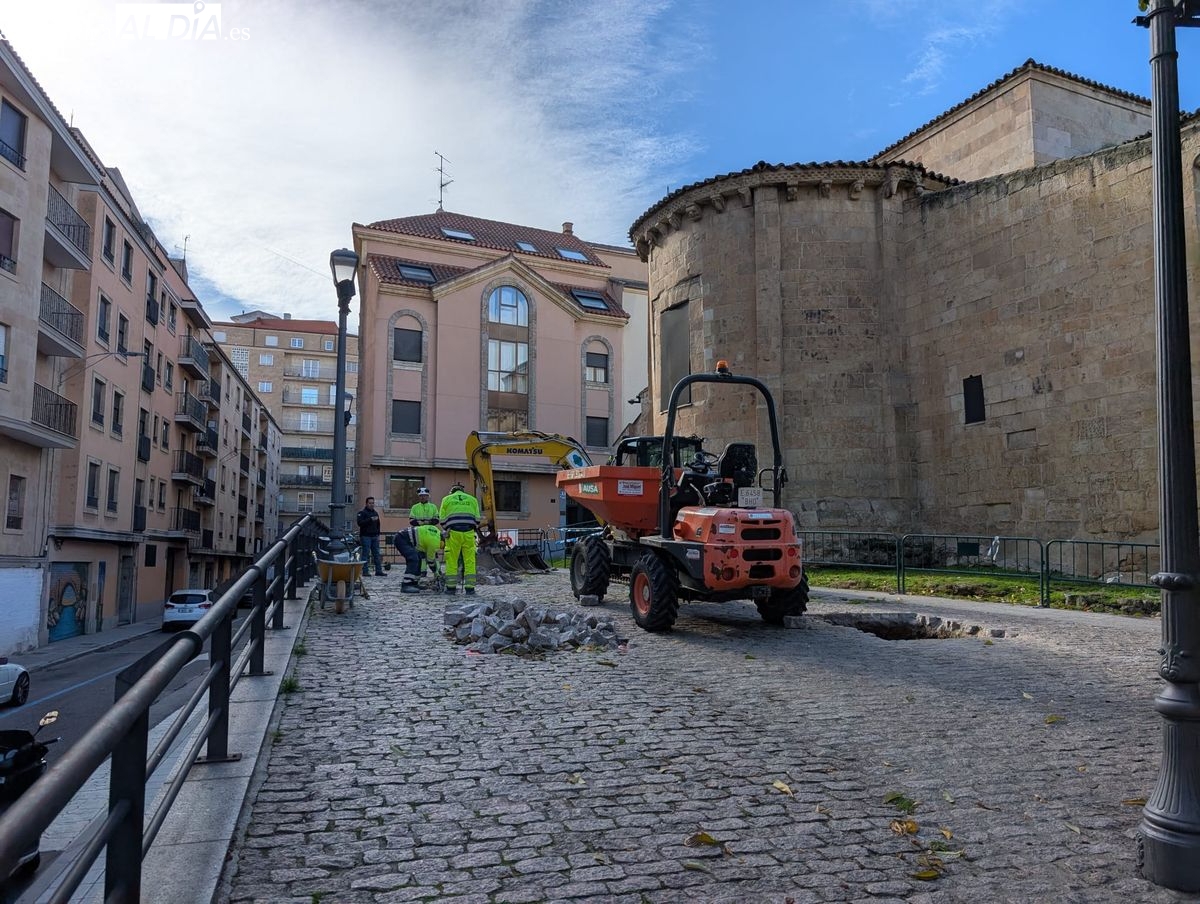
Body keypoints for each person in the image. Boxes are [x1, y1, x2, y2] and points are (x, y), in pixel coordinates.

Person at [439, 480, 481, 595]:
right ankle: (470, 588)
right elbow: (477, 519)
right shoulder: (473, 500)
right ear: (462, 491)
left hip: (453, 532)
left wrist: (446, 528)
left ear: (452, 491)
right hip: (469, 533)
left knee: (452, 560)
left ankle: (451, 588)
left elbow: (441, 519)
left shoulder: (446, 499)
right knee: (470, 560)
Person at [391, 526, 428, 593]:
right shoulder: (435, 541)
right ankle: (406, 585)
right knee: (413, 559)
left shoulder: (435, 534)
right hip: (401, 538)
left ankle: (414, 583)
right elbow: (431, 559)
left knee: (418, 558)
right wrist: (436, 572)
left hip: (405, 538)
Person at [355, 496, 384, 576]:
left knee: (376, 554)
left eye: (373, 503)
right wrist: (370, 520)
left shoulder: (375, 513)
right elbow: (360, 523)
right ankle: (365, 571)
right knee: (365, 555)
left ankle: (378, 571)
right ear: (366, 503)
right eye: (370, 503)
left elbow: (378, 524)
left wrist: (378, 533)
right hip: (366, 536)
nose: (372, 504)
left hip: (374, 536)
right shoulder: (362, 513)